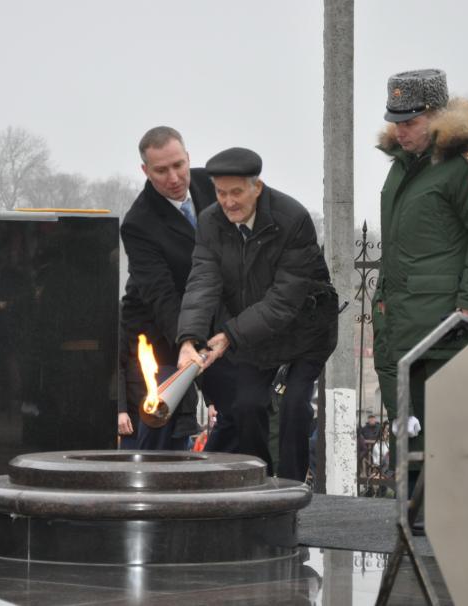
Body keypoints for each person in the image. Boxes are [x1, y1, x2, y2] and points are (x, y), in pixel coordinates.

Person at [374, 68, 468, 481]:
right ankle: (417, 521)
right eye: (396, 122)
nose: (400, 132)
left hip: (447, 323)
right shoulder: (403, 166)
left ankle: (447, 524)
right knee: (411, 434)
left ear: (436, 116)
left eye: (410, 122)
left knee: (447, 437)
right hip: (403, 320)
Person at [176, 147, 338, 481]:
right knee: (246, 407)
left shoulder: (292, 219)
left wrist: (229, 336)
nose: (228, 202)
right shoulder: (210, 222)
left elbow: (284, 300)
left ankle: (293, 488)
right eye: (221, 193)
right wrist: (189, 339)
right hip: (252, 334)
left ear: (257, 187)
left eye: (237, 192)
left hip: (305, 328)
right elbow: (202, 282)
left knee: (294, 407)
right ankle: (260, 483)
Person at [118, 126, 233, 450]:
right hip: (160, 332)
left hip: (212, 322)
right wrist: (186, 341)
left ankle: (217, 477)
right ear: (145, 171)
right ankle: (150, 486)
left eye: (178, 165)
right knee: (163, 414)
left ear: (188, 157)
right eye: (161, 170)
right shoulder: (138, 223)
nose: (173, 177)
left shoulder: (213, 186)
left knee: (239, 405)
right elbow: (161, 296)